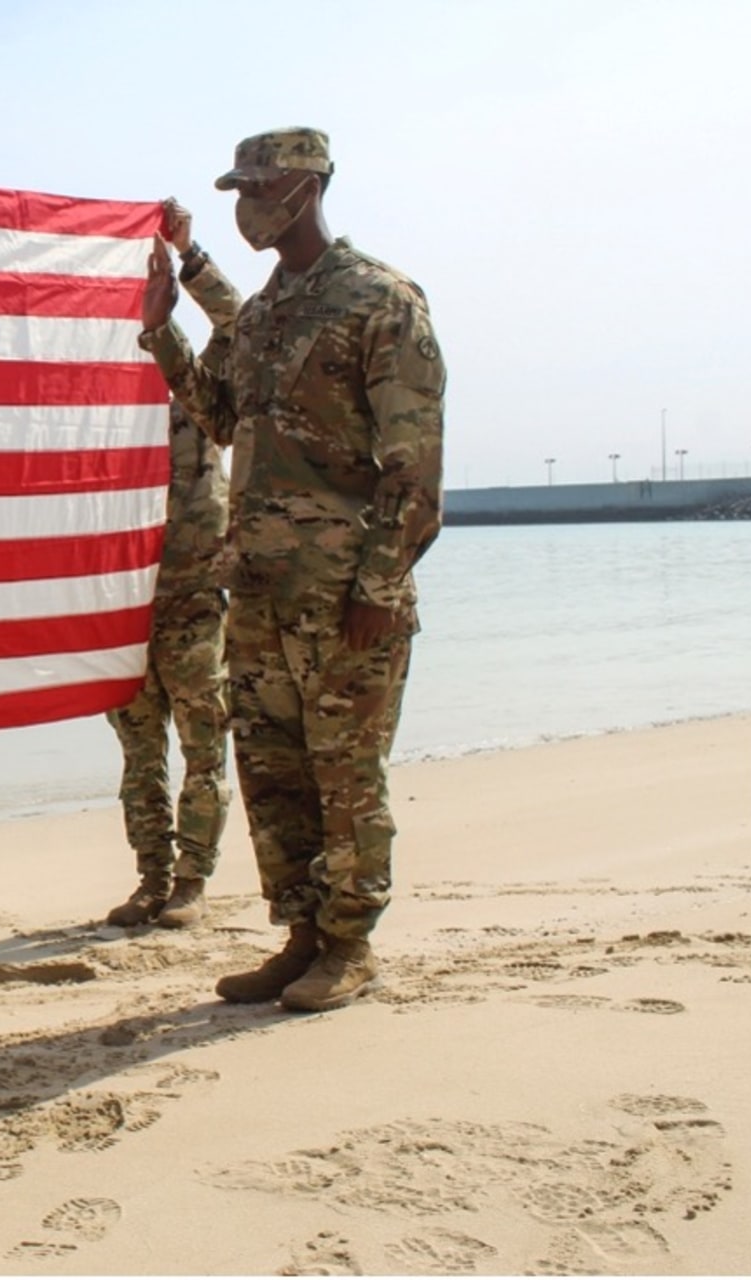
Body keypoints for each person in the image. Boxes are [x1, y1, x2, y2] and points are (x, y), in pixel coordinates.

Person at [137, 128, 446, 1011]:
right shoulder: (268, 312)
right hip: (262, 591)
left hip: (346, 591)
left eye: (256, 187)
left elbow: (414, 465)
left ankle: (349, 946)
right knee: (273, 768)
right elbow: (224, 417)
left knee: (348, 771)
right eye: (237, 188)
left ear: (303, 189)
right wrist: (163, 337)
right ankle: (302, 935)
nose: (244, 206)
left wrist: (381, 587)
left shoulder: (378, 300)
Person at [104, 200, 244, 931]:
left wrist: (190, 257)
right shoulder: (98, 388)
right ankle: (150, 877)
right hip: (123, 597)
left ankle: (191, 880)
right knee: (138, 753)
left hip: (191, 588)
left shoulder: (203, 382)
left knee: (201, 743)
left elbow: (241, 326)